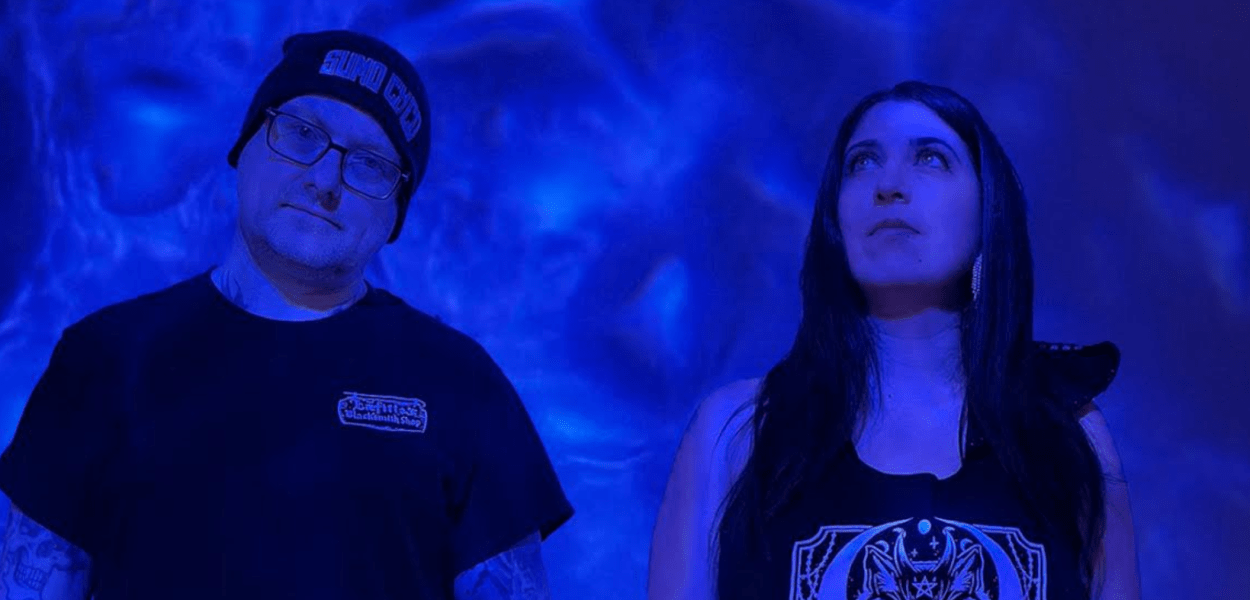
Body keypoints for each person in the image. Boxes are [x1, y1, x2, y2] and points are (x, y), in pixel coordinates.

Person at [0, 30, 573, 600]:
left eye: (370, 165)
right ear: (244, 147)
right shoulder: (104, 361)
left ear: (395, 216)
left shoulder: (463, 387)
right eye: (301, 134)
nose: (325, 180)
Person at [649, 81, 1141, 600]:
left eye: (930, 158)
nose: (888, 185)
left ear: (987, 214)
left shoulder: (1069, 435)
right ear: (835, 219)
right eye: (862, 162)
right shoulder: (735, 433)